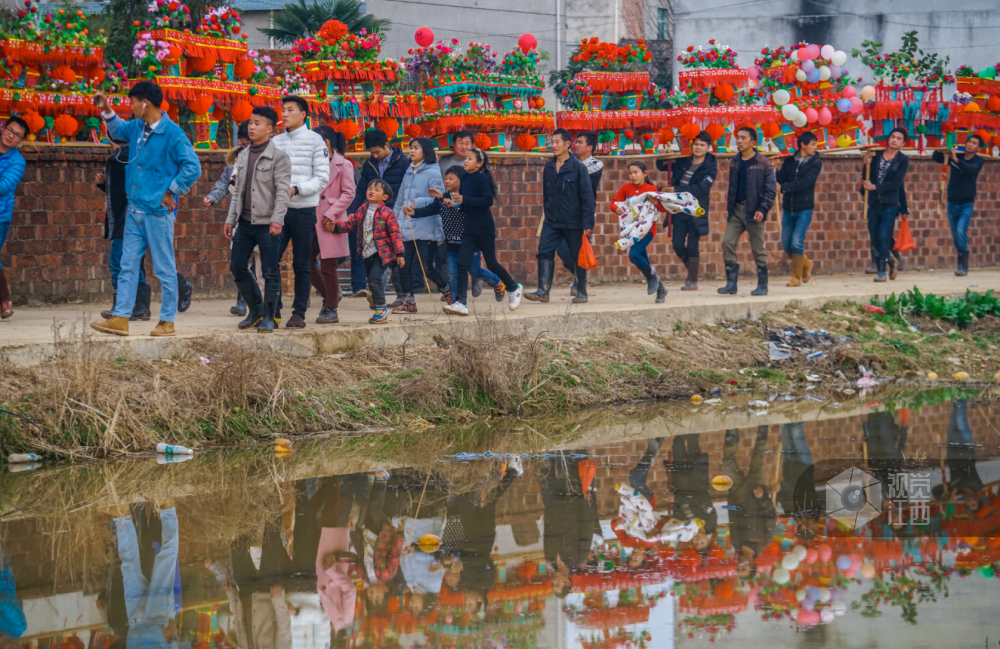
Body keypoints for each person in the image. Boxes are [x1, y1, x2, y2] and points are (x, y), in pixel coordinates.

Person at [90, 82, 201, 337]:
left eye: (132, 102)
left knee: (163, 267)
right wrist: (106, 108)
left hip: (157, 212)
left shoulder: (173, 134)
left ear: (145, 103)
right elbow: (117, 129)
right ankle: (121, 318)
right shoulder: (137, 127)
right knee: (127, 264)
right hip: (135, 209)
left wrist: (172, 189)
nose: (130, 107)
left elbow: (193, 167)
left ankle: (167, 321)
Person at [224, 106, 291, 334]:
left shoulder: (279, 158)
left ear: (270, 129)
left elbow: (283, 192)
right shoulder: (242, 156)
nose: (252, 127)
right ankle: (256, 311)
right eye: (250, 122)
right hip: (244, 222)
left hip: (268, 224)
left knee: (270, 271)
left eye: (257, 123)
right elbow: (237, 191)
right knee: (237, 267)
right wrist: (230, 220)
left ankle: (269, 317)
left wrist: (277, 219)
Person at [271, 96, 329, 328]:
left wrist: (297, 190)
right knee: (270, 260)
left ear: (303, 114)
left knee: (302, 263)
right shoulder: (275, 141)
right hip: (278, 212)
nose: (284, 114)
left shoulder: (316, 141)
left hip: (304, 211)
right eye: (283, 110)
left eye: (290, 110)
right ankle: (273, 310)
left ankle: (299, 314)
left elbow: (322, 177)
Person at [442, 148, 522, 315]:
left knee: (492, 263)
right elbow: (467, 205)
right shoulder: (464, 177)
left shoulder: (481, 178)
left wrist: (465, 200)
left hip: (484, 228)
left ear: (479, 163)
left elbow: (487, 201)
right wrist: (456, 205)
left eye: (470, 159)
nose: (465, 161)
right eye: (465, 158)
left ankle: (514, 288)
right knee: (462, 264)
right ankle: (461, 303)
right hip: (470, 230)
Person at [529, 128, 596, 304]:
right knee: (544, 251)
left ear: (567, 144)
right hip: (552, 220)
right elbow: (547, 195)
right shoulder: (549, 167)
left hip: (573, 221)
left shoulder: (578, 168)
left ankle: (581, 291)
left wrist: (588, 223)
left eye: (557, 142)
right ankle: (543, 291)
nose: (554, 145)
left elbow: (587, 196)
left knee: (576, 256)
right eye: (552, 142)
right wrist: (547, 213)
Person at [422, 167, 503, 302]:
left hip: (470, 242)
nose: (447, 181)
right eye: (446, 178)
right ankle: (454, 301)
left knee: (475, 271)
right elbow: (430, 209)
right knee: (452, 274)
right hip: (452, 244)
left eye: (451, 178)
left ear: (461, 182)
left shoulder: (467, 199)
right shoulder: (442, 199)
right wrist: (413, 212)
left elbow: (461, 204)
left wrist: (446, 198)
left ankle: (498, 283)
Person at [329, 179, 405, 324]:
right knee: (371, 282)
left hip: (382, 253)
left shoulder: (387, 213)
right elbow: (351, 225)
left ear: (385, 197)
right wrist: (336, 227)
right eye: (370, 188)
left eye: (377, 190)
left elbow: (395, 234)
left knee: (376, 280)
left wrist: (400, 253)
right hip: (366, 253)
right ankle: (378, 308)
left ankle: (381, 310)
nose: (371, 191)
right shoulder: (362, 210)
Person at [347, 128, 408, 301]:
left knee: (394, 254)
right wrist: (352, 210)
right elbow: (361, 189)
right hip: (374, 216)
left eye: (377, 151)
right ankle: (379, 295)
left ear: (387, 145)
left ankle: (402, 295)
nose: (374, 155)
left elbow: (407, 189)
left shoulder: (402, 162)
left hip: (395, 215)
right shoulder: (369, 164)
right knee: (376, 254)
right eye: (371, 152)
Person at [96, 135, 151, 322]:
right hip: (130, 218)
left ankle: (121, 307)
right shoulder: (132, 155)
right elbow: (123, 189)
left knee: (118, 262)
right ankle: (140, 307)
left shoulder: (120, 157)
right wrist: (105, 185)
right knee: (130, 263)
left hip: (126, 220)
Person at [113, 504, 181, 649]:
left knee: (128, 565)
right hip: (159, 623)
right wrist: (171, 641)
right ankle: (167, 509)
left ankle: (120, 516)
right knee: (165, 561)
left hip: (136, 624)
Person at [394, 137, 450, 312]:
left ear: (425, 151)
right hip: (407, 226)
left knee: (427, 267)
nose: (411, 151)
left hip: (427, 226)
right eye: (410, 148)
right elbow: (399, 201)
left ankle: (447, 290)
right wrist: (395, 223)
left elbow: (438, 198)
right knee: (404, 264)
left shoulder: (433, 172)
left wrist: (417, 203)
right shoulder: (408, 172)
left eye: (416, 148)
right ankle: (409, 302)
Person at [719, 126, 776, 297]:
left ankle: (762, 285)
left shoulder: (764, 164)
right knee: (727, 242)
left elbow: (770, 190)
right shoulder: (735, 162)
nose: (739, 141)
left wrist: (762, 209)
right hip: (736, 210)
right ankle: (731, 284)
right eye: (737, 137)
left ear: (752, 142)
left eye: (743, 138)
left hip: (755, 210)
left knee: (757, 248)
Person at [206, 121, 254, 317]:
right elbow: (223, 185)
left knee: (263, 263)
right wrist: (211, 197)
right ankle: (243, 302)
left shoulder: (271, 158)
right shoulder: (233, 163)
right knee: (241, 262)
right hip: (240, 218)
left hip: (263, 217)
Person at [658, 130, 717, 291]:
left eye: (702, 145)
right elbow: (661, 166)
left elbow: (702, 188)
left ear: (708, 147)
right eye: (696, 144)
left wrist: (676, 189)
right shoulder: (683, 159)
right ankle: (693, 270)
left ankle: (692, 280)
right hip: (678, 208)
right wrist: (662, 153)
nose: (698, 148)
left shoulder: (710, 166)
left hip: (696, 209)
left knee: (692, 245)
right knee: (677, 244)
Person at [310, 126, 355, 324]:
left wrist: (330, 214)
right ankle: (330, 295)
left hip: (331, 219)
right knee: (303, 263)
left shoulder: (344, 164)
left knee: (328, 266)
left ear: (325, 143)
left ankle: (331, 308)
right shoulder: (310, 163)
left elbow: (348, 193)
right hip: (309, 217)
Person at [723, 427, 776, 579]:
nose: (739, 566)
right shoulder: (764, 543)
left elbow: (732, 516)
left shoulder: (735, 543)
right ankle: (763, 425)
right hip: (756, 494)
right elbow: (771, 516)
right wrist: (762, 497)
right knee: (757, 459)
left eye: (738, 569)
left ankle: (732, 429)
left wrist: (731, 495)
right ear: (752, 565)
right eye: (743, 569)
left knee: (727, 463)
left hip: (737, 494)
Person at [611, 161, 667, 302]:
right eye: (630, 173)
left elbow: (663, 208)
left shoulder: (651, 188)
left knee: (634, 255)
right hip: (633, 230)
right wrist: (615, 209)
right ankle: (661, 289)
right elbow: (614, 201)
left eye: (636, 172)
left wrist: (655, 202)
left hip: (647, 230)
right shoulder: (626, 188)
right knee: (644, 261)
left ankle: (652, 278)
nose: (632, 175)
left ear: (645, 173)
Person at [932, 133, 984, 276]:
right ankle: (963, 255)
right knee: (956, 236)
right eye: (969, 141)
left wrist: (956, 160)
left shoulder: (979, 161)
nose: (970, 144)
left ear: (978, 148)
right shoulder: (958, 156)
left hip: (967, 203)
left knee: (961, 231)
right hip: (952, 202)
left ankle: (962, 266)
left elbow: (971, 170)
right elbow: (936, 158)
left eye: (974, 143)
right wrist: (941, 148)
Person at [775, 130, 822, 287]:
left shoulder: (815, 163)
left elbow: (804, 183)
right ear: (803, 145)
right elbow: (780, 178)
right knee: (786, 244)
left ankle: (796, 278)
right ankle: (807, 264)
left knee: (796, 243)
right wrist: (774, 171)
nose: (815, 147)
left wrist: (782, 188)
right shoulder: (789, 161)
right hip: (789, 208)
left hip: (804, 208)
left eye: (816, 144)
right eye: (813, 144)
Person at [861, 127, 909, 283]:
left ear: (903, 142)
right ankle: (890, 260)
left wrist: (875, 187)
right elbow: (867, 177)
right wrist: (865, 164)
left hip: (890, 203)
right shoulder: (876, 155)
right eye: (892, 137)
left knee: (883, 236)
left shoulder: (902, 160)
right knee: (874, 237)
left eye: (898, 138)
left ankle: (881, 272)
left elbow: (896, 183)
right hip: (874, 201)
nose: (894, 140)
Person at [0, 117, 26, 320]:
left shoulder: (17, 161)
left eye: (17, 135)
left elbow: (5, 186)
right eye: (10, 130)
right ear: (3, 129)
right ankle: (4, 302)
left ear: (21, 140)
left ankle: (4, 300)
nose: (11, 136)